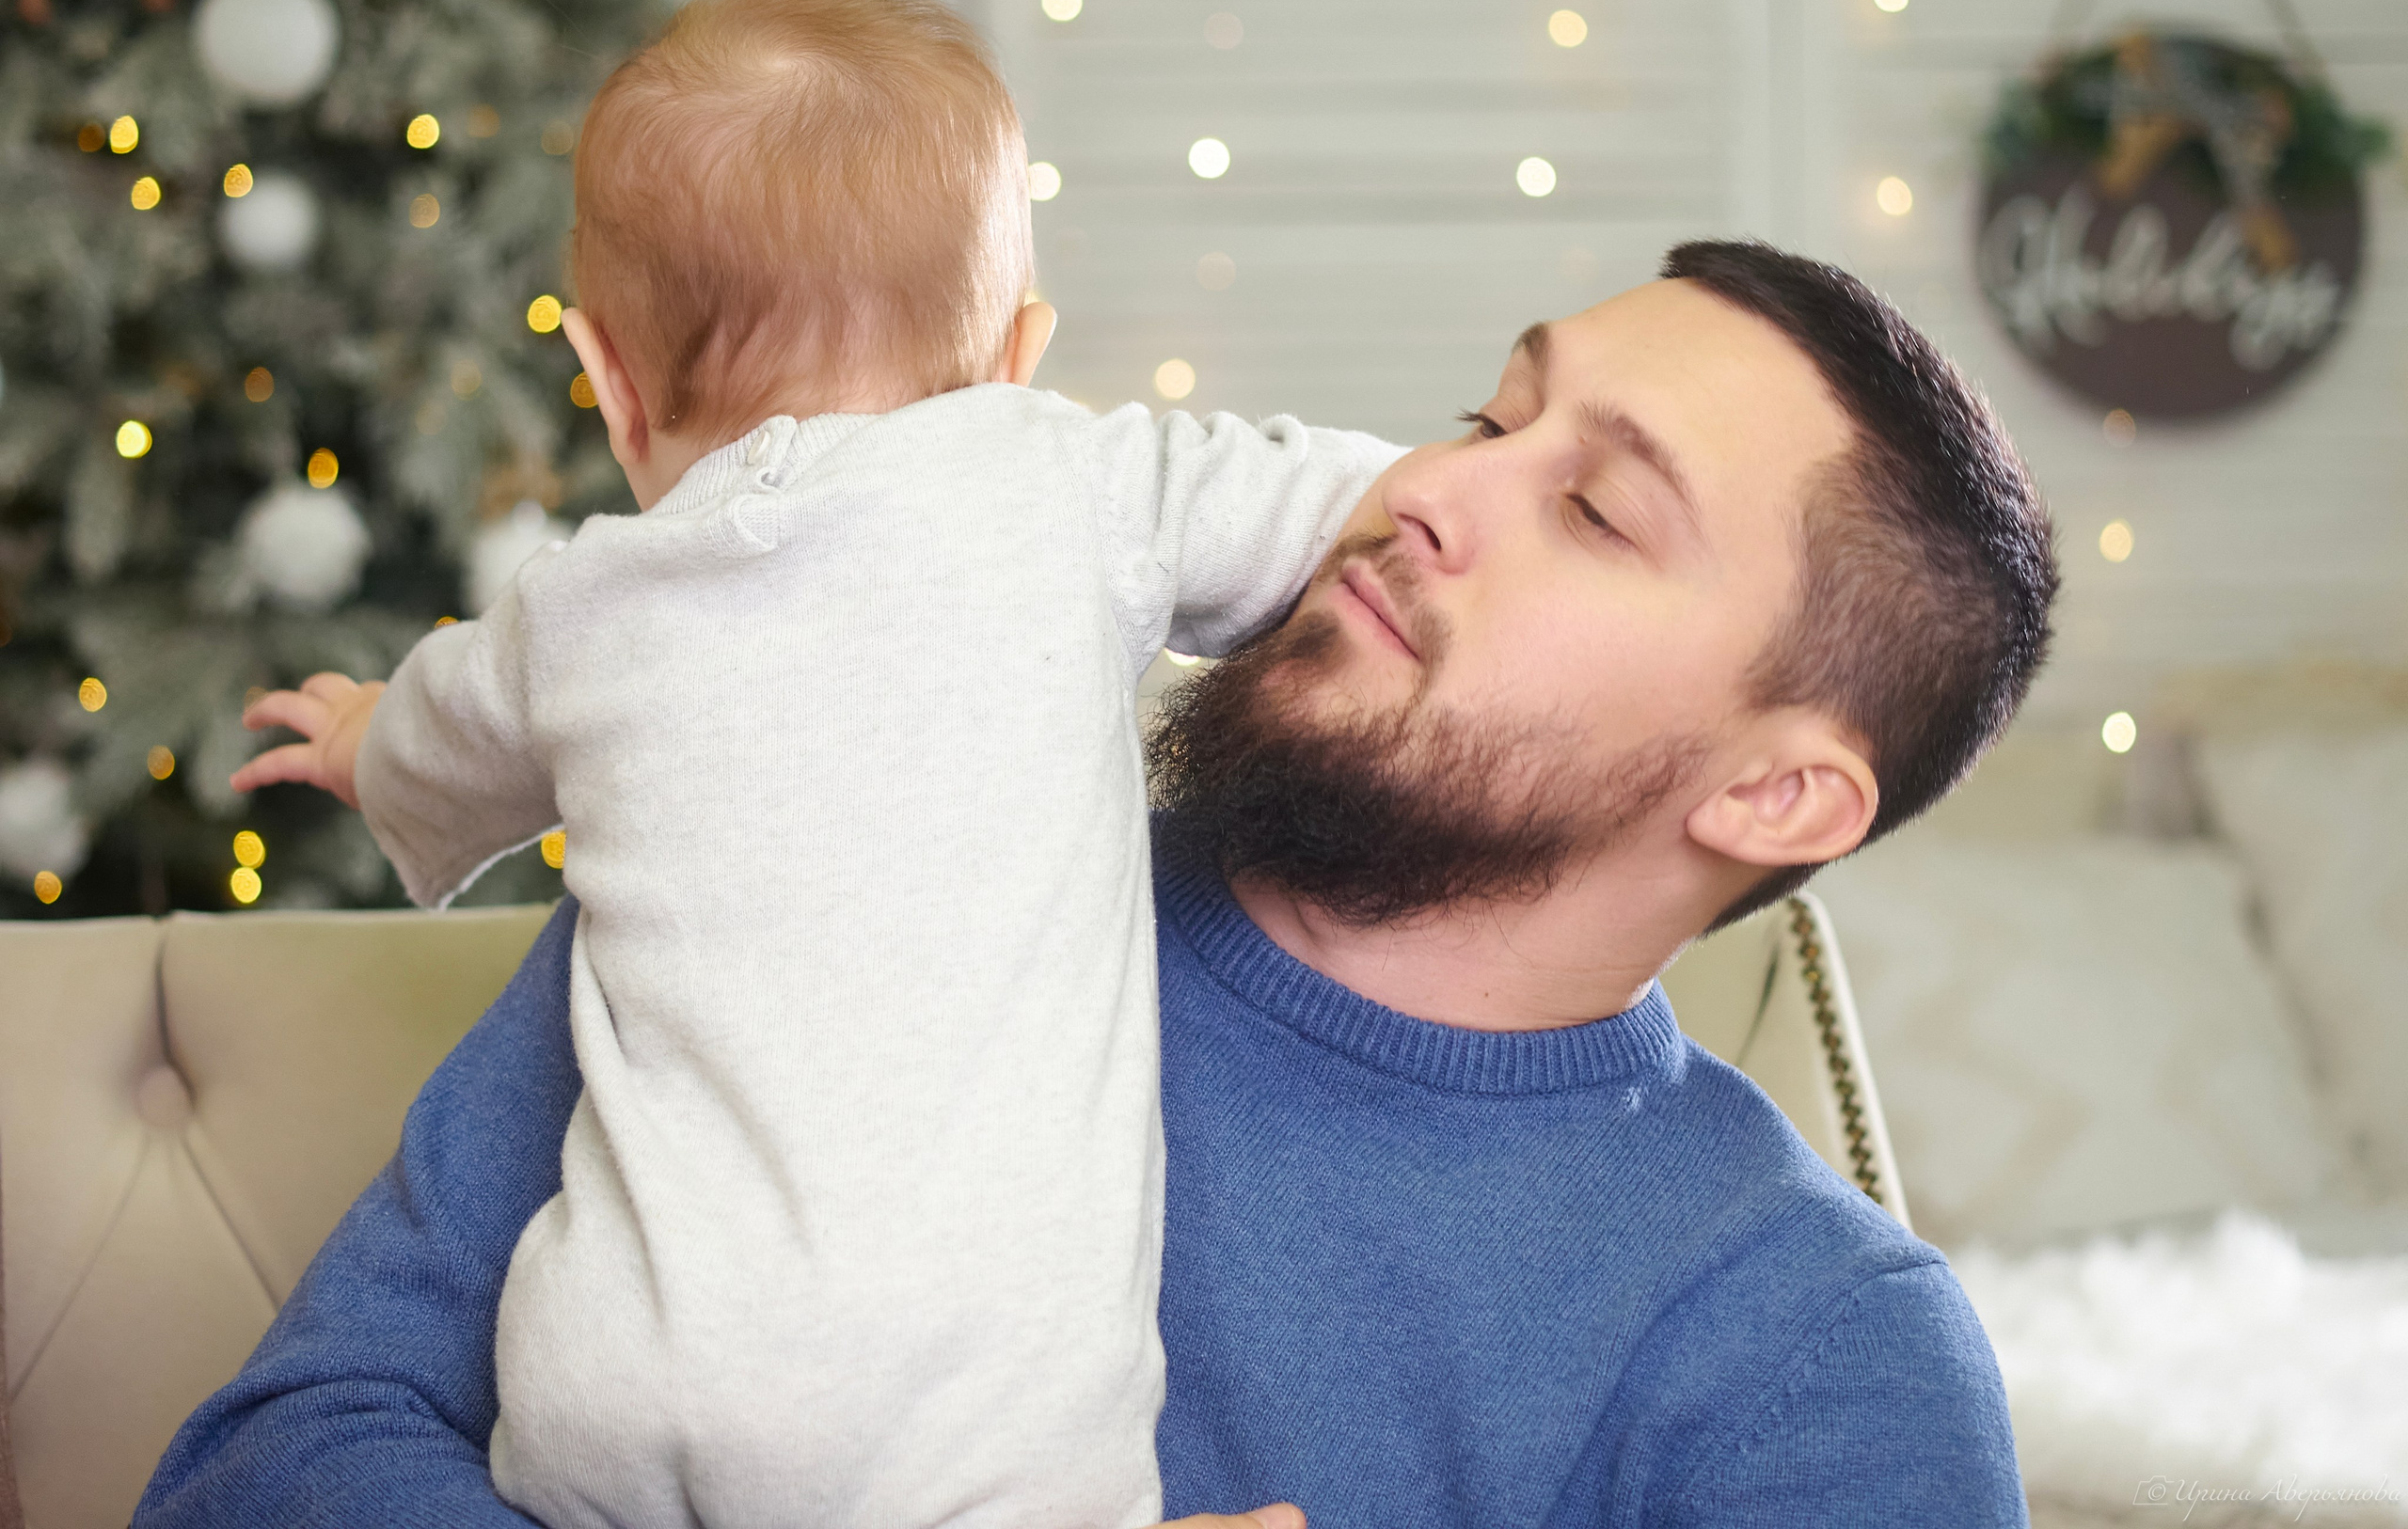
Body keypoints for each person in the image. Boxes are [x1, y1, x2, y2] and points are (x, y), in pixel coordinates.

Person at [143, 240, 2059, 1529]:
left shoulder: (1819, 1363)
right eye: (1492, 416)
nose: (1424, 486)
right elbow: (266, 1468)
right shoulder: (826, 843)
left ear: (1779, 791)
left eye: (1593, 507)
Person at [221, 0, 1399, 1529]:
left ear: (608, 381)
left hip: (610, 1381)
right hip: (978, 1432)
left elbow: (437, 733)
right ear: (1020, 352)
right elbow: (1357, 508)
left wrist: (361, 734)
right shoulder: (1072, 484)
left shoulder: (584, 605)